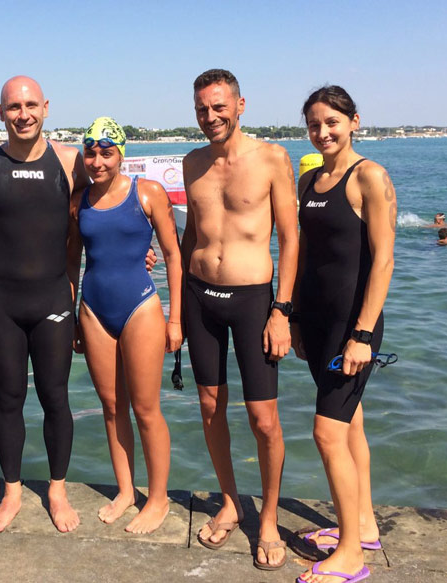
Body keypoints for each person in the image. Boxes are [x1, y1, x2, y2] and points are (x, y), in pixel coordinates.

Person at [0, 75, 89, 534]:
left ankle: (56, 488)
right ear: (0, 112)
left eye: (31, 104)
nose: (23, 114)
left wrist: (139, 249)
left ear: (47, 108)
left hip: (55, 297)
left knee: (56, 397)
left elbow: (105, 209)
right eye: (14, 106)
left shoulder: (72, 162)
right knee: (8, 398)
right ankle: (12, 491)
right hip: (3, 302)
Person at [181, 69, 298, 570]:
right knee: (210, 406)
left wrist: (282, 310)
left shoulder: (272, 158)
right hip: (198, 294)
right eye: (202, 110)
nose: (211, 117)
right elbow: (190, 236)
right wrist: (176, 306)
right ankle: (230, 501)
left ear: (240, 105)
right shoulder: (191, 163)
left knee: (263, 419)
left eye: (218, 107)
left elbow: (291, 239)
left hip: (254, 299)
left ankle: (267, 517)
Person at [293, 85, 395, 583]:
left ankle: (352, 555)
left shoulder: (369, 177)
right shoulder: (310, 181)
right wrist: (293, 319)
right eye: (314, 124)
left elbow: (383, 261)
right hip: (316, 323)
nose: (323, 131)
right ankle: (364, 525)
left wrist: (361, 333)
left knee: (326, 432)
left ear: (354, 121)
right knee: (349, 424)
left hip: (352, 330)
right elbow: (309, 257)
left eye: (332, 121)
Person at [67, 117, 182, 533]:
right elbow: (70, 261)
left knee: (146, 408)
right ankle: (126, 490)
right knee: (112, 407)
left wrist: (176, 318)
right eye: (91, 152)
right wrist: (73, 314)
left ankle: (158, 497)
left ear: (121, 154)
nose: (97, 160)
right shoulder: (79, 201)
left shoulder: (147, 193)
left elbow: (172, 255)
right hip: (94, 309)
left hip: (141, 307)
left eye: (106, 151)